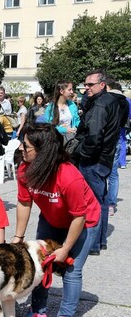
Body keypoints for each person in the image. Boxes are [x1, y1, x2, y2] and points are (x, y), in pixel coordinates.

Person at [13, 124, 100, 317]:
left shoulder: (69, 176)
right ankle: (38, 313)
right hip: (51, 219)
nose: (21, 149)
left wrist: (66, 249)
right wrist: (18, 237)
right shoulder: (25, 169)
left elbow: (79, 216)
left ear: (42, 151)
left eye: (26, 146)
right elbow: (24, 202)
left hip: (82, 221)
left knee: (71, 269)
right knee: (42, 263)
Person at [72, 69, 121, 256]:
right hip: (104, 158)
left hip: (94, 160)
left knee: (93, 202)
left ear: (102, 84)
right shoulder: (109, 101)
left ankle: (92, 243)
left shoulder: (101, 105)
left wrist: (82, 154)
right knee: (100, 200)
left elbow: (94, 136)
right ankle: (99, 241)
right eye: (85, 84)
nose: (86, 88)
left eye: (90, 84)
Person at [104, 79, 130, 218]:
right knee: (114, 173)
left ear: (107, 86)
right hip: (118, 138)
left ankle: (102, 201)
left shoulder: (107, 99)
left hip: (106, 139)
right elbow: (125, 119)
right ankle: (112, 204)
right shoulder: (125, 101)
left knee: (101, 172)